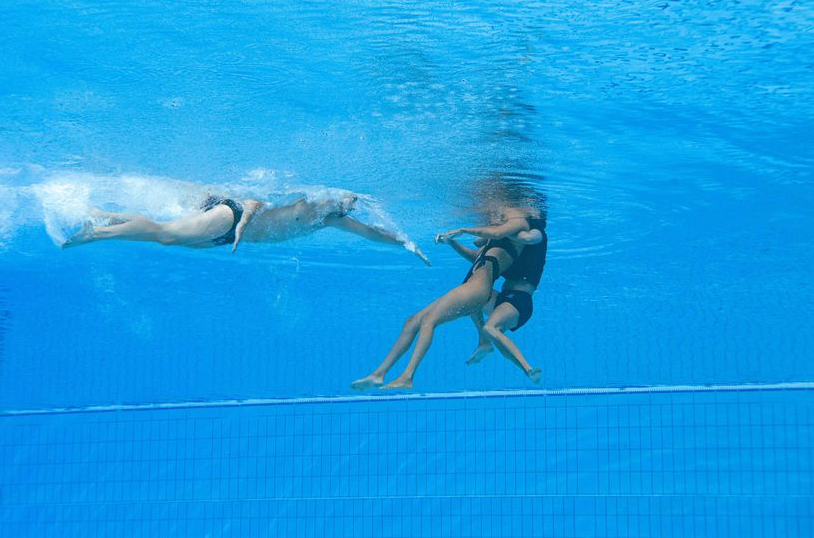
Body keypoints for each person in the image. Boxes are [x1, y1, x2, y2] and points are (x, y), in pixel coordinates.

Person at [350, 205, 538, 390]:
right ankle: (378, 374)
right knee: (413, 321)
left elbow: (495, 233)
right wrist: (451, 242)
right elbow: (476, 254)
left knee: (429, 321)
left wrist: (463, 230)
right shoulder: (494, 244)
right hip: (470, 288)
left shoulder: (516, 231)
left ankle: (407, 377)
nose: (492, 214)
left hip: (477, 290)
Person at [62, 193, 430, 264]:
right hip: (231, 218)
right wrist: (239, 231)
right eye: (346, 202)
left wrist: (407, 246)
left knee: (167, 239)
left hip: (226, 239)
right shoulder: (307, 201)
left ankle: (101, 215)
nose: (349, 208)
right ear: (332, 196)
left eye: (351, 206)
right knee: (168, 233)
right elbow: (255, 201)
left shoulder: (331, 220)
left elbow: (373, 233)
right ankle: (95, 234)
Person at [444, 213, 547, 383]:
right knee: (471, 295)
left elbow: (528, 239)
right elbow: (477, 257)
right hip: (503, 298)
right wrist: (451, 242)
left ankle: (528, 368)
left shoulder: (537, 232)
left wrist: (498, 232)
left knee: (491, 328)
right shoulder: (505, 241)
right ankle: (484, 343)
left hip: (520, 301)